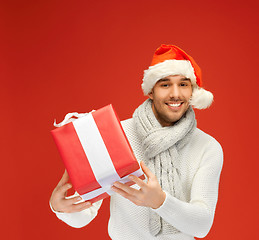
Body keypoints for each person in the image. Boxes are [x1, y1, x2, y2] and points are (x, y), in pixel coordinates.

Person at [50, 44, 223, 240]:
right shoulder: (118, 133)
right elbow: (86, 212)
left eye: (183, 84)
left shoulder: (208, 147)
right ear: (150, 91)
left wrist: (161, 202)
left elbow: (202, 225)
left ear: (192, 91)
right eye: (165, 84)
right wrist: (61, 208)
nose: (175, 94)